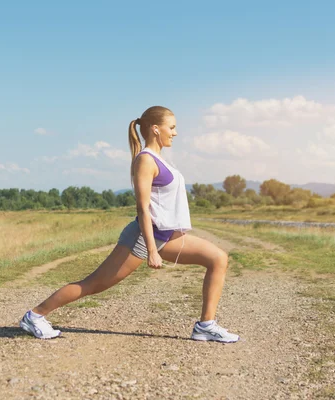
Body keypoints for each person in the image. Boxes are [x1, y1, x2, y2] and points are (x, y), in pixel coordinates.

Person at [19, 106, 239, 343]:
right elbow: (143, 208)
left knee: (218, 259)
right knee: (93, 284)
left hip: (166, 236)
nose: (175, 133)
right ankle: (35, 315)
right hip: (144, 239)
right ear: (156, 129)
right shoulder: (145, 160)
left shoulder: (159, 159)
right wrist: (152, 251)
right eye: (171, 127)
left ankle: (206, 325)